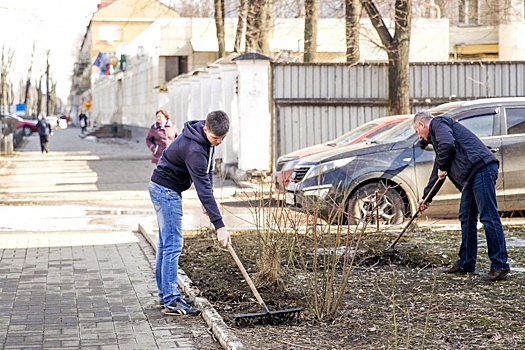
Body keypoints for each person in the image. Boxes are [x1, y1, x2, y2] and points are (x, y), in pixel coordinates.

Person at [149, 110, 231, 315]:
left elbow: (207, 172)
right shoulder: (195, 149)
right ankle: (171, 300)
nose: (219, 142)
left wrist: (207, 199)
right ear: (206, 129)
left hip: (162, 187)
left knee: (166, 243)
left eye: (222, 138)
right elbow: (202, 186)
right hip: (166, 190)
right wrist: (219, 225)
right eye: (215, 138)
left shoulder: (206, 140)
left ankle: (165, 295)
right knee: (173, 244)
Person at [412, 110, 510, 282]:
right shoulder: (438, 139)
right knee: (466, 217)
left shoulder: (439, 123)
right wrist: (427, 197)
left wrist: (443, 166)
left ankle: (500, 265)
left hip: (481, 168)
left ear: (422, 124)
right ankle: (466, 263)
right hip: (472, 175)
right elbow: (439, 169)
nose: (419, 137)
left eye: (417, 132)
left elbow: (448, 145)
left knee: (489, 217)